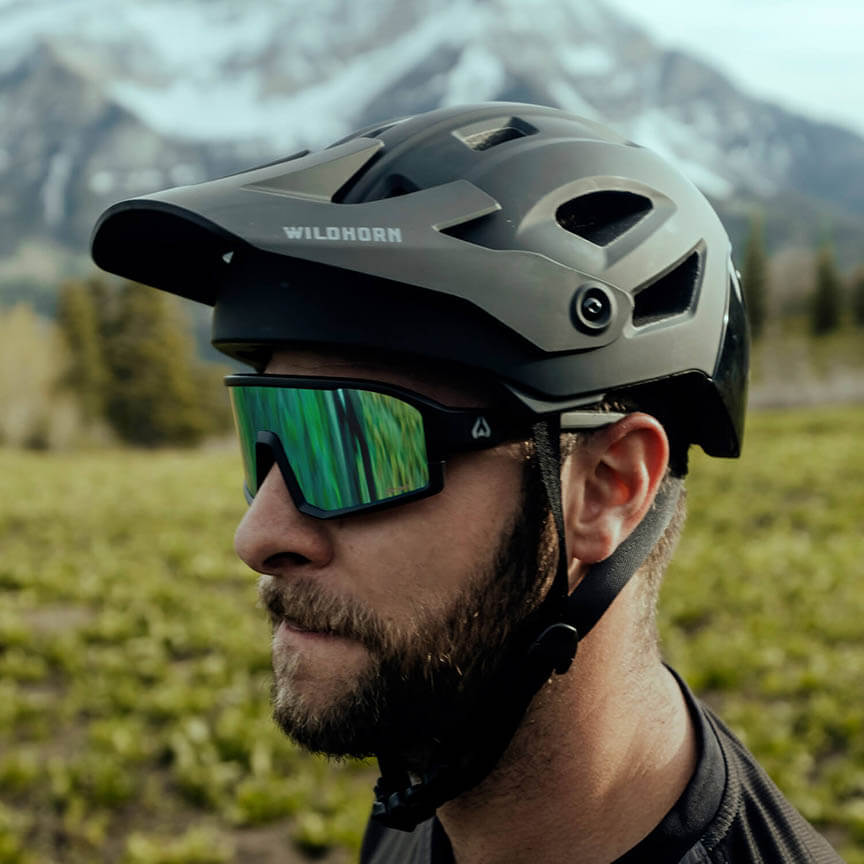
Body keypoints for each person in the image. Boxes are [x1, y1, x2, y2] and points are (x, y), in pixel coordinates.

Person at [91, 103, 843, 863]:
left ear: (606, 488)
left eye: (358, 443)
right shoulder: (418, 795)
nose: (257, 536)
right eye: (271, 435)